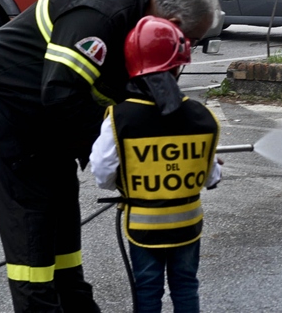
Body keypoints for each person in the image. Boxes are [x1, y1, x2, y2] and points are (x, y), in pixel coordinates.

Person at [0, 0, 219, 313]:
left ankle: (75, 303)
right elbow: (61, 93)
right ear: (175, 24)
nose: (186, 49)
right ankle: (39, 307)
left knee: (62, 201)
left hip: (50, 108)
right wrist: (123, 151)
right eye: (190, 40)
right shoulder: (103, 16)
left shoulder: (146, 31)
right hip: (8, 99)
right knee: (33, 209)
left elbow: (133, 103)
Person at [90, 16, 221, 313]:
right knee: (186, 285)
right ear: (177, 65)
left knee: (148, 289)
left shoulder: (120, 117)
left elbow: (102, 170)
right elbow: (211, 177)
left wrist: (125, 183)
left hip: (144, 228)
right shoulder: (202, 116)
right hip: (188, 226)